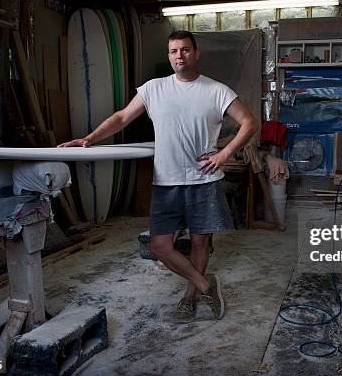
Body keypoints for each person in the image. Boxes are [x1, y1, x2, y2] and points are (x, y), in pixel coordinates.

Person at [59, 30, 259, 321]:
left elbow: (249, 123)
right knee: (159, 246)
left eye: (185, 50)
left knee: (200, 243)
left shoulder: (216, 90)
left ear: (196, 53)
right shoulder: (153, 89)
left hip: (204, 180)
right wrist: (90, 138)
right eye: (174, 51)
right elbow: (121, 117)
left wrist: (223, 155)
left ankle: (189, 297)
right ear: (169, 56)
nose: (180, 55)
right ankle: (205, 284)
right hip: (167, 181)